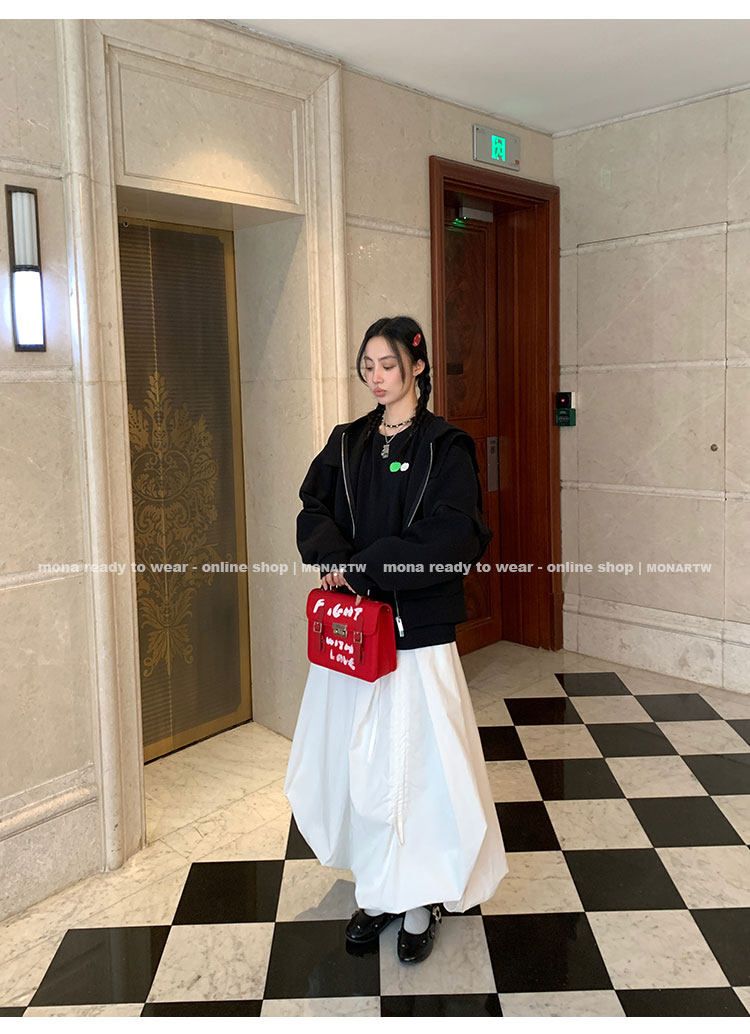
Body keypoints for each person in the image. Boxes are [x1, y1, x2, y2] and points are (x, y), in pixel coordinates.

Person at [284, 315, 508, 965]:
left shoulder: (446, 447)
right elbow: (313, 507)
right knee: (364, 766)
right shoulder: (348, 442)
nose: (377, 378)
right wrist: (333, 558)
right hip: (357, 638)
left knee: (420, 770)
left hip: (415, 636)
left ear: (417, 366)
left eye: (388, 365)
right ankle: (380, 888)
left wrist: (368, 567)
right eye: (368, 367)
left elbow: (455, 535)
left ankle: (421, 897)